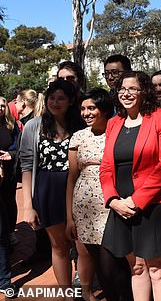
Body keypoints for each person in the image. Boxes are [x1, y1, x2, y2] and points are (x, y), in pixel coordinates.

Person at [99, 71, 161, 301]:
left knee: (157, 269)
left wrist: (136, 200)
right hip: (120, 205)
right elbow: (106, 167)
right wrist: (113, 200)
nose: (126, 94)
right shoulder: (113, 123)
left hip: (152, 205)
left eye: (132, 89)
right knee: (137, 267)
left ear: (144, 92)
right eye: (122, 89)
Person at [66, 89, 133, 301]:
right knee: (99, 266)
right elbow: (71, 178)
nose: (86, 113)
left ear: (103, 109)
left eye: (91, 108)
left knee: (113, 262)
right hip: (84, 207)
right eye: (83, 109)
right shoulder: (78, 136)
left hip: (110, 203)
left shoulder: (117, 130)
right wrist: (69, 217)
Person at [19, 80, 85, 288]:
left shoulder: (80, 125)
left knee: (82, 246)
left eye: (61, 98)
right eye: (52, 98)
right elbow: (27, 166)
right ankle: (66, 292)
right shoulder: (33, 126)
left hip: (77, 189)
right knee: (58, 247)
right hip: (47, 189)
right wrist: (28, 207)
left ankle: (85, 289)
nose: (55, 102)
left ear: (71, 101)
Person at [0, 97, 20, 296]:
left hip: (7, 179)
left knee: (2, 232)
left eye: (2, 105)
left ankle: (4, 280)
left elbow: (18, 147)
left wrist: (10, 155)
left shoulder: (11, 125)